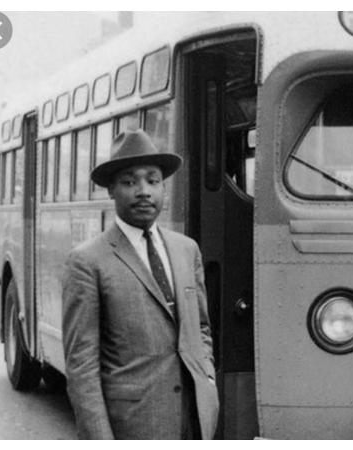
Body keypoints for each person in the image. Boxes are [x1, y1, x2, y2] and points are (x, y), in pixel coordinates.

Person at [62, 129, 219, 439]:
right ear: (111, 190)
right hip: (134, 426)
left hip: (195, 421)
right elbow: (82, 368)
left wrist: (207, 378)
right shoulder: (87, 261)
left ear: (164, 188)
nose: (144, 191)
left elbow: (200, 327)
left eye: (153, 180)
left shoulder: (187, 249)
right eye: (129, 182)